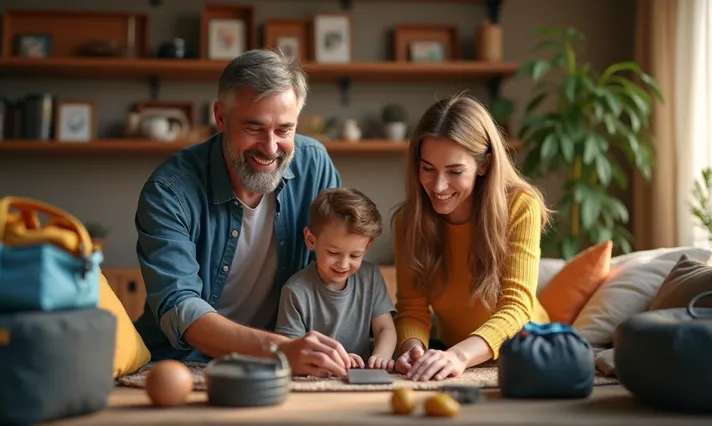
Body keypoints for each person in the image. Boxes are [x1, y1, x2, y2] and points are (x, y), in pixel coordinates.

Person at [133, 49, 353, 378]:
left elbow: (332, 272)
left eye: (284, 130)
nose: (270, 147)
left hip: (285, 362)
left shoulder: (315, 166)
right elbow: (180, 307)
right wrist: (280, 349)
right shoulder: (169, 191)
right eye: (254, 128)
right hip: (182, 364)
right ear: (220, 117)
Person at [391, 92, 553, 382]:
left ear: (484, 165)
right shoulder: (408, 221)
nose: (438, 186)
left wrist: (459, 356)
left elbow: (516, 307)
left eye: (455, 171)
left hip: (527, 354)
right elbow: (412, 308)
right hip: (456, 360)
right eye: (428, 168)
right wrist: (413, 349)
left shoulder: (520, 205)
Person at [275, 188, 397, 372]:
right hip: (316, 377)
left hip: (361, 378)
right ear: (310, 240)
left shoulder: (370, 277)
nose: (343, 264)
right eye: (333, 253)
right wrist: (338, 360)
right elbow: (292, 351)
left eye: (355, 255)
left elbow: (384, 329)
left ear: (367, 246)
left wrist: (380, 356)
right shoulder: (295, 292)